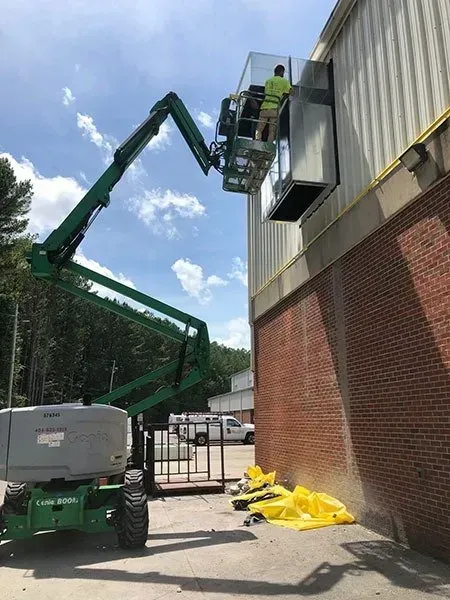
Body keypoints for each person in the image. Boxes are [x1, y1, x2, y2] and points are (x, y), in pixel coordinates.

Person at [255, 64, 292, 143]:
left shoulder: (268, 81)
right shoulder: (284, 81)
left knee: (259, 128)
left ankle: (257, 141)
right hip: (275, 108)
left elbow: (266, 93)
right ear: (281, 72)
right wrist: (284, 96)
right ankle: (269, 143)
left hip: (264, 108)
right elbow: (291, 92)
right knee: (272, 129)